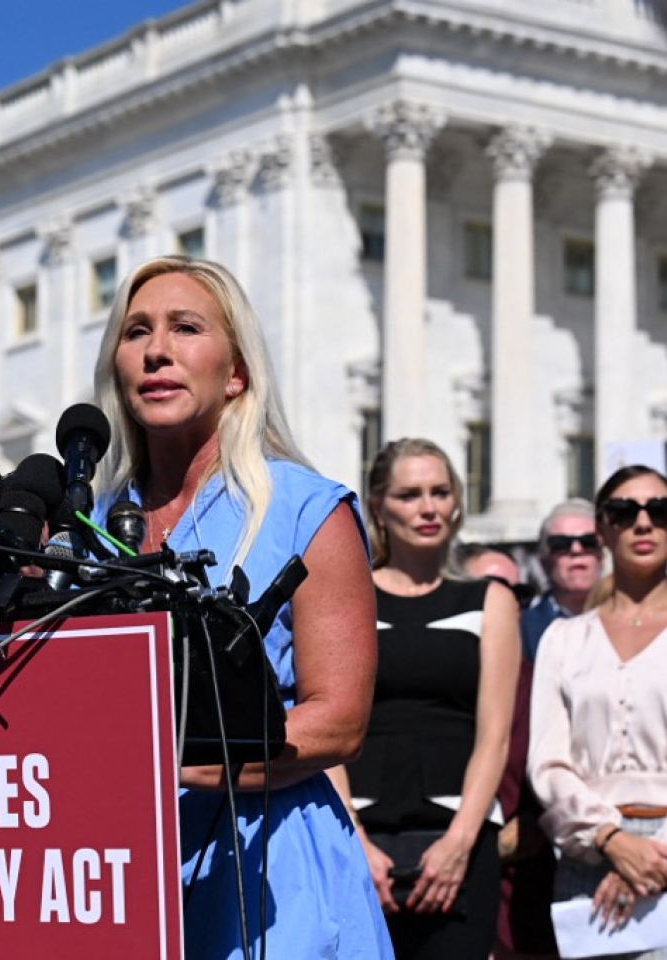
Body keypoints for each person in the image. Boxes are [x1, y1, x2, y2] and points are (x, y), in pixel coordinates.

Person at [90, 255, 391, 957]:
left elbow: (338, 723)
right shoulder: (83, 530)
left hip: (273, 875)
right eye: (136, 332)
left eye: (185, 328)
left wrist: (168, 762)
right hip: (123, 874)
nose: (156, 349)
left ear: (236, 373)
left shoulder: (307, 509)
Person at [336, 438, 520, 958]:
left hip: (459, 840)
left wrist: (460, 843)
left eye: (440, 492)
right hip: (360, 840)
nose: (428, 507)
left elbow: (495, 735)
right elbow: (326, 722)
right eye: (409, 494)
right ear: (377, 505)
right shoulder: (346, 597)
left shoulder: (491, 600)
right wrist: (355, 843)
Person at [529, 465, 667, 950]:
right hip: (586, 851)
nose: (644, 524)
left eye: (660, 510)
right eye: (625, 511)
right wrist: (611, 839)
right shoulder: (564, 640)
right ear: (603, 529)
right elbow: (547, 761)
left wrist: (651, 857)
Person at [458, 547, 558, 959]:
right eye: (495, 589)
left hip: (527, 906)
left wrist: (538, 822)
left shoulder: (544, 680)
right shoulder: (427, 686)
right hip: (440, 888)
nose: (510, 602)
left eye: (520, 592)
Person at [519, 499, 601, 662]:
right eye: (561, 544)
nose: (576, 550)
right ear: (543, 560)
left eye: (588, 542)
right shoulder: (520, 629)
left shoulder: (633, 619)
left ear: (603, 555)